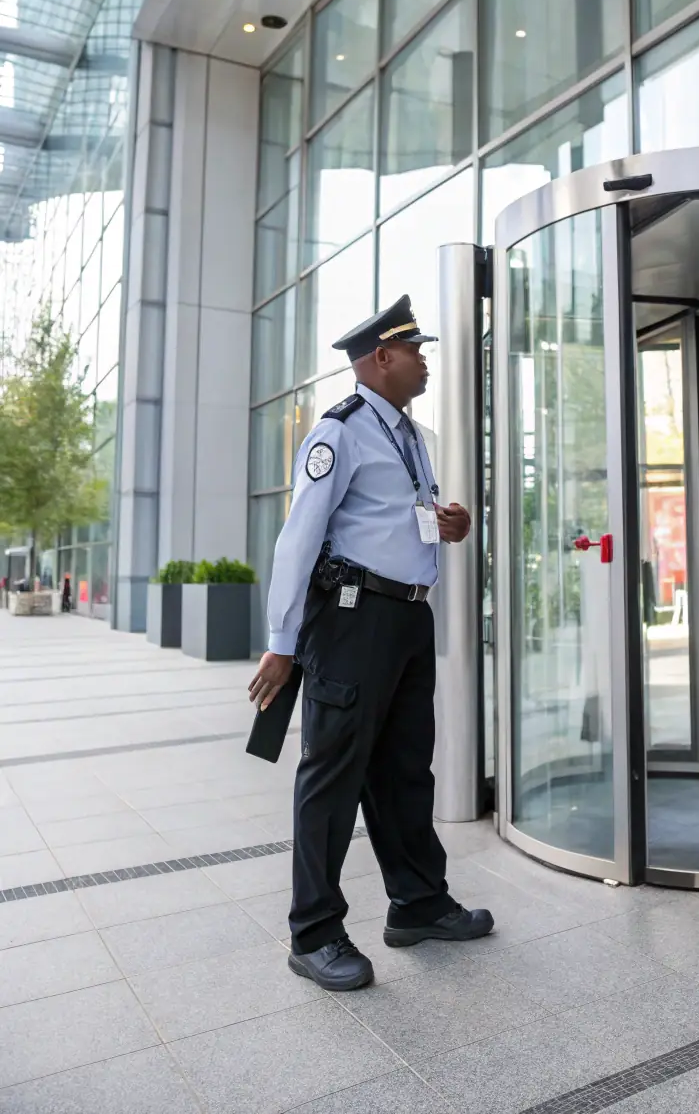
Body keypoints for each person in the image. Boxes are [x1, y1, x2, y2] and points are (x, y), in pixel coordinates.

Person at [248, 295, 493, 992]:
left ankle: (418, 902)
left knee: (404, 770)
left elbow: (403, 515)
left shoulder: (411, 433)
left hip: (408, 617)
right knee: (332, 775)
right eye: (416, 350)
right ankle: (314, 932)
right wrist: (281, 639)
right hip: (352, 620)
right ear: (380, 357)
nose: (425, 361)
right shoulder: (339, 432)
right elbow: (299, 539)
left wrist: (447, 522)